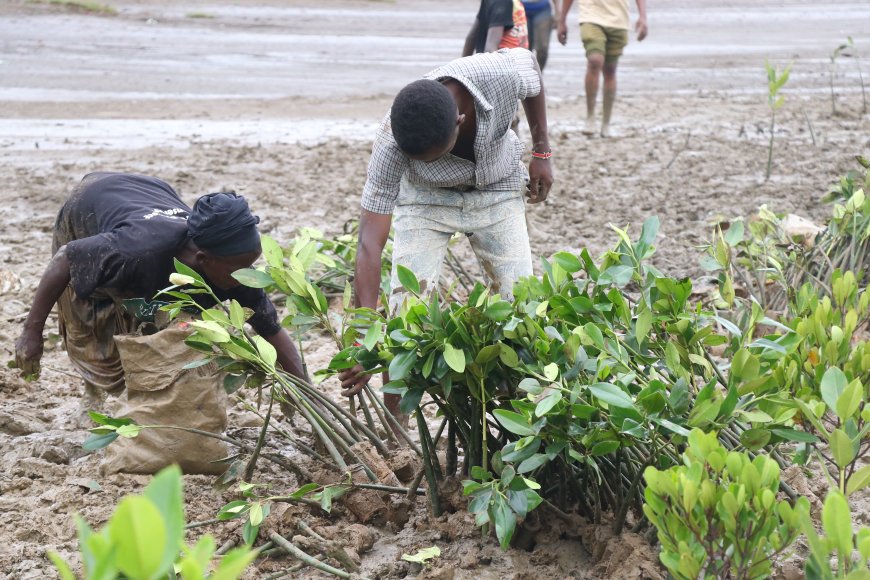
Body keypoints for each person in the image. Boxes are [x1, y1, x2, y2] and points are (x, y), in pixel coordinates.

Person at [339, 48, 554, 419]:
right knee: (405, 314)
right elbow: (369, 243)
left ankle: (519, 419)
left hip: (498, 185)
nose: (432, 161)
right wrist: (361, 337)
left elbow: (533, 71)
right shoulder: (391, 141)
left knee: (521, 308)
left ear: (459, 120)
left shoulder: (499, 73)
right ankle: (398, 431)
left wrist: (542, 152)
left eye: (436, 155)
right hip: (426, 200)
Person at [14, 172, 306, 418]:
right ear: (203, 259)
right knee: (89, 314)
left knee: (162, 323)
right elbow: (65, 260)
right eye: (239, 269)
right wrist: (32, 331)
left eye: (250, 265)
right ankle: (92, 390)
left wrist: (303, 392)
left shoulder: (237, 270)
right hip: (90, 201)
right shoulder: (135, 250)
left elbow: (270, 328)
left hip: (151, 192)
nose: (247, 275)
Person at [556, 0, 647, 137]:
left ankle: (606, 123)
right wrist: (562, 20)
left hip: (619, 20)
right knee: (595, 61)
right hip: (590, 17)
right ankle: (590, 117)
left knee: (610, 70)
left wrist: (643, 17)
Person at [463, 0, 529, 57]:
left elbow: (472, 37)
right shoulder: (501, 2)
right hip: (505, 65)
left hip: (518, 61)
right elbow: (490, 49)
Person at [522, 0, 560, 71]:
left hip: (542, 9)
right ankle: (526, 74)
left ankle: (538, 74)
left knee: (542, 48)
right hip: (520, 8)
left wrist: (558, 12)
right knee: (524, 49)